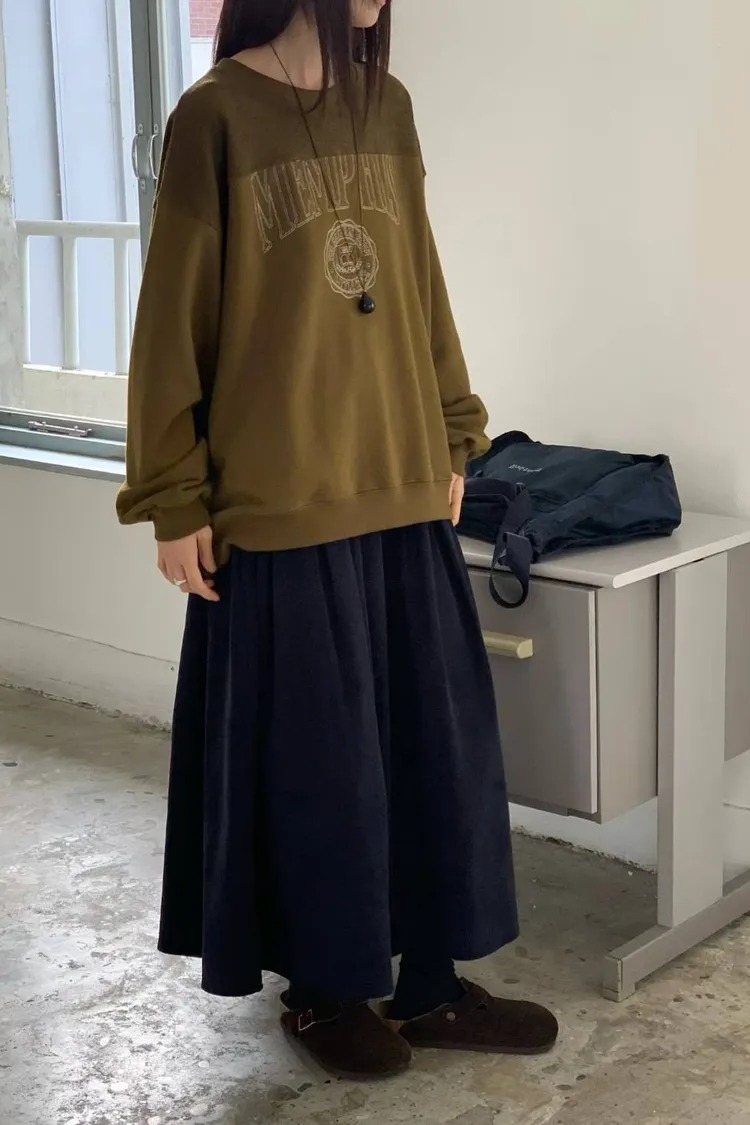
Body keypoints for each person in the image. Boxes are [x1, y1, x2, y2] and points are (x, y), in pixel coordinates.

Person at [117, 0, 558, 1080]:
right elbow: (173, 313)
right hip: (282, 498)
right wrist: (173, 495)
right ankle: (323, 992)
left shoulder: (387, 106)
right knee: (319, 767)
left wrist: (455, 430)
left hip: (402, 480)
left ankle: (431, 987)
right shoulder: (214, 117)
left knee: (431, 755)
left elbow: (418, 283)